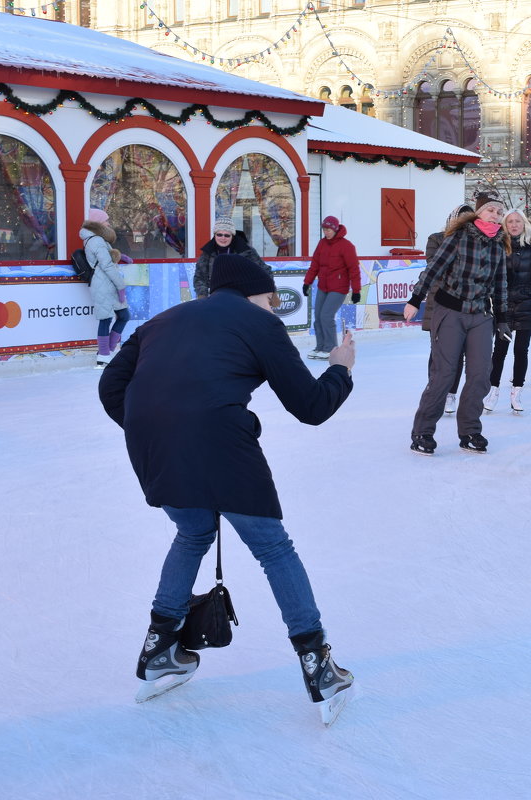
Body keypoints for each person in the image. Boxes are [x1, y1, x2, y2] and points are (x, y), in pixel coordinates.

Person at [97, 254, 357, 723]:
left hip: (153, 446)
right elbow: (311, 406)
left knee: (193, 532)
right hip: (219, 443)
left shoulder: (161, 320)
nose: (273, 306)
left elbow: (110, 385)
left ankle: (159, 648)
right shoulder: (258, 322)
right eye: (271, 297)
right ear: (255, 292)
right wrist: (340, 369)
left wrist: (156, 425)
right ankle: (319, 667)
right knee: (274, 549)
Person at [404, 193, 510, 455]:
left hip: (481, 315)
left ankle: (470, 429)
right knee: (444, 374)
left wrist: (504, 318)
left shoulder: (498, 246)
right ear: (478, 213)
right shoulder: (459, 237)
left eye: (499, 212)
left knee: (480, 374)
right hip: (450, 311)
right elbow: (434, 269)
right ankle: (423, 431)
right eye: (490, 210)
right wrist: (415, 299)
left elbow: (500, 285)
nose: (495, 215)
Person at [484, 209, 531, 413]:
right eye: (510, 222)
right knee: (499, 350)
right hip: (503, 305)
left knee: (521, 350)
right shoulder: (497, 246)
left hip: (527, 303)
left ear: (524, 224)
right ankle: (493, 390)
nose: (514, 225)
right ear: (504, 226)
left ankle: (517, 392)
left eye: (518, 221)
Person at [421, 204, 473, 413]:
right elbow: (436, 267)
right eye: (459, 219)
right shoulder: (436, 239)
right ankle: (434, 390)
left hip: (463, 305)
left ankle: (450, 393)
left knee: (457, 352)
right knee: (437, 352)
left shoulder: (474, 243)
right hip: (438, 303)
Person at [303, 216, 361, 360]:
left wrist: (356, 290)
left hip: (338, 287)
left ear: (335, 229)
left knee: (326, 316)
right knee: (318, 317)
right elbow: (315, 264)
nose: (326, 232)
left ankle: (330, 348)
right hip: (323, 285)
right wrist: (307, 282)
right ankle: (320, 347)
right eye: (324, 229)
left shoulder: (346, 246)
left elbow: (353, 269)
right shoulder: (322, 244)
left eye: (328, 229)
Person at [82, 207, 130, 368]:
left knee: (123, 315)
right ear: (98, 223)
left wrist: (121, 256)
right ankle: (103, 355)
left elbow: (105, 256)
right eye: (106, 221)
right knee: (106, 318)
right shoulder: (96, 240)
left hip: (106, 283)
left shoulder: (98, 240)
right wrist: (121, 286)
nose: (109, 223)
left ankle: (107, 352)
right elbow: (106, 265)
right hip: (103, 284)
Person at [193, 216, 268, 299]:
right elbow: (200, 277)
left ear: (232, 235)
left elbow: (264, 271)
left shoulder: (245, 251)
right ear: (215, 235)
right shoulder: (208, 252)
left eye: (227, 235)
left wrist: (268, 292)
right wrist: (202, 296)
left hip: (242, 295)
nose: (223, 238)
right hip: (217, 295)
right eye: (219, 234)